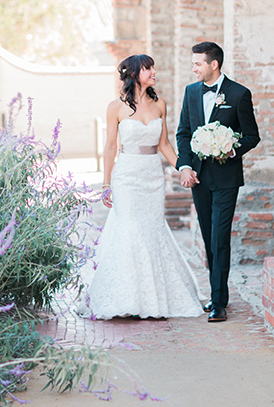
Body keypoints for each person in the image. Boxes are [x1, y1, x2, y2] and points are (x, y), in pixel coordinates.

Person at [83, 54, 203, 320]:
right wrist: (106, 183)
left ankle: (151, 298)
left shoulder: (161, 104)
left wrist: (182, 168)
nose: (154, 72)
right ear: (135, 73)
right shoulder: (116, 107)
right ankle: (125, 297)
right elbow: (111, 146)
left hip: (152, 177)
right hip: (126, 177)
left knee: (151, 229)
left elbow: (164, 145)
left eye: (153, 68)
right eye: (149, 69)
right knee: (130, 229)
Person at [176, 41, 260, 323]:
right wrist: (185, 166)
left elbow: (252, 136)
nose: (194, 68)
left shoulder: (238, 94)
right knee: (208, 236)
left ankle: (219, 303)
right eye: (193, 63)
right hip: (198, 178)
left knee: (219, 238)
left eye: (198, 63)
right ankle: (216, 295)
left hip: (226, 178)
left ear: (214, 64)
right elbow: (183, 133)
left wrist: (230, 148)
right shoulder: (190, 92)